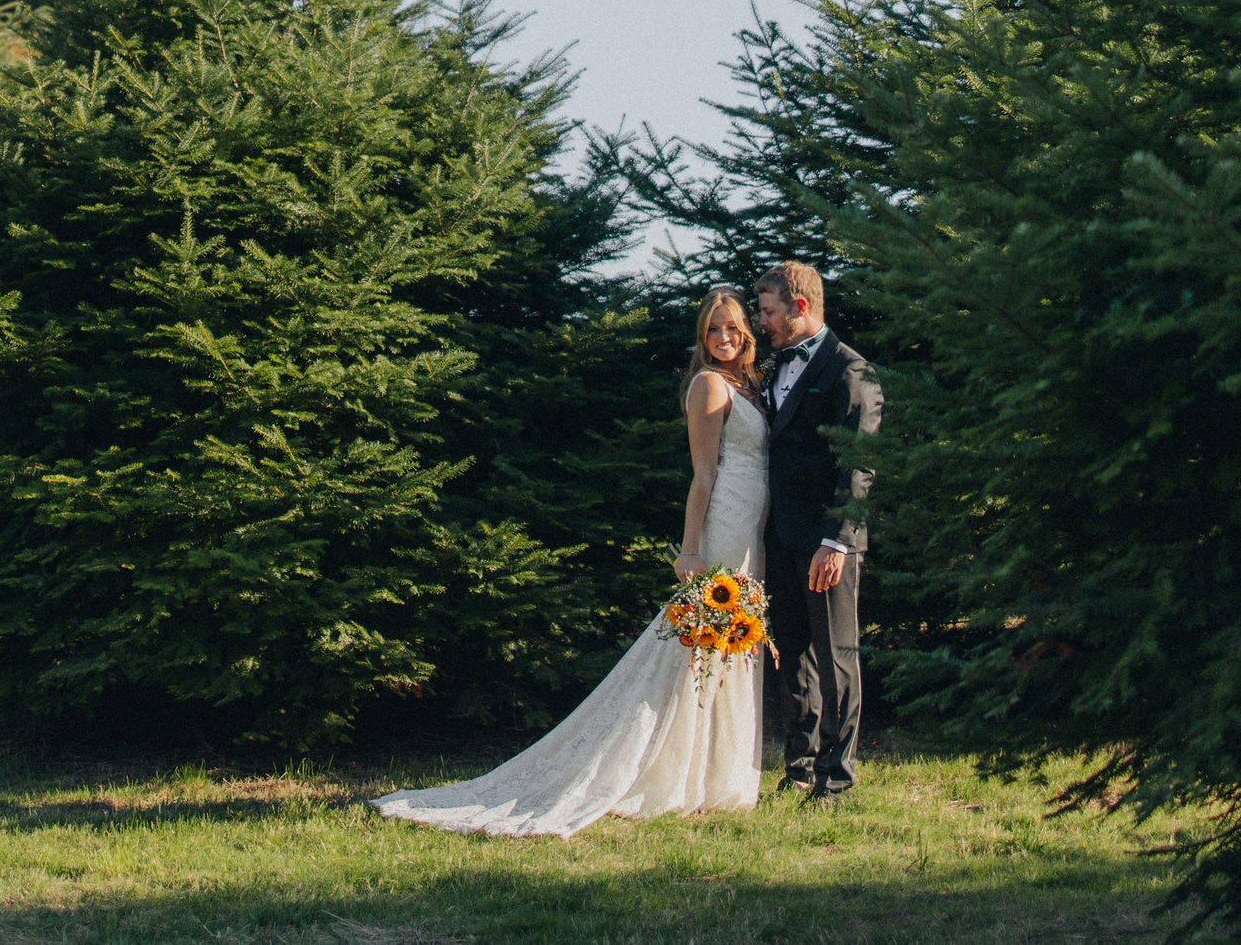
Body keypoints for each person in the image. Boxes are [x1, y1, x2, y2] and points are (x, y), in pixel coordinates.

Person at [371, 286, 771, 837]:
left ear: (745, 329)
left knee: (732, 652)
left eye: (732, 327)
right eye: (713, 330)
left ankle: (713, 773)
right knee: (701, 649)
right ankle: (664, 772)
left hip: (754, 533)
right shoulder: (707, 385)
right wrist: (691, 548)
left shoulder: (748, 383)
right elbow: (703, 475)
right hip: (725, 526)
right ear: (701, 338)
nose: (724, 338)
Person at [756, 260, 883, 799]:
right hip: (781, 537)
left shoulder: (852, 372)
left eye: (768, 311)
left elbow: (858, 465)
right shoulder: (774, 365)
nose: (762, 322)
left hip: (827, 543)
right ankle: (801, 765)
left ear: (799, 307)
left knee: (836, 659)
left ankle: (837, 779)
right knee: (795, 658)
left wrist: (837, 542)